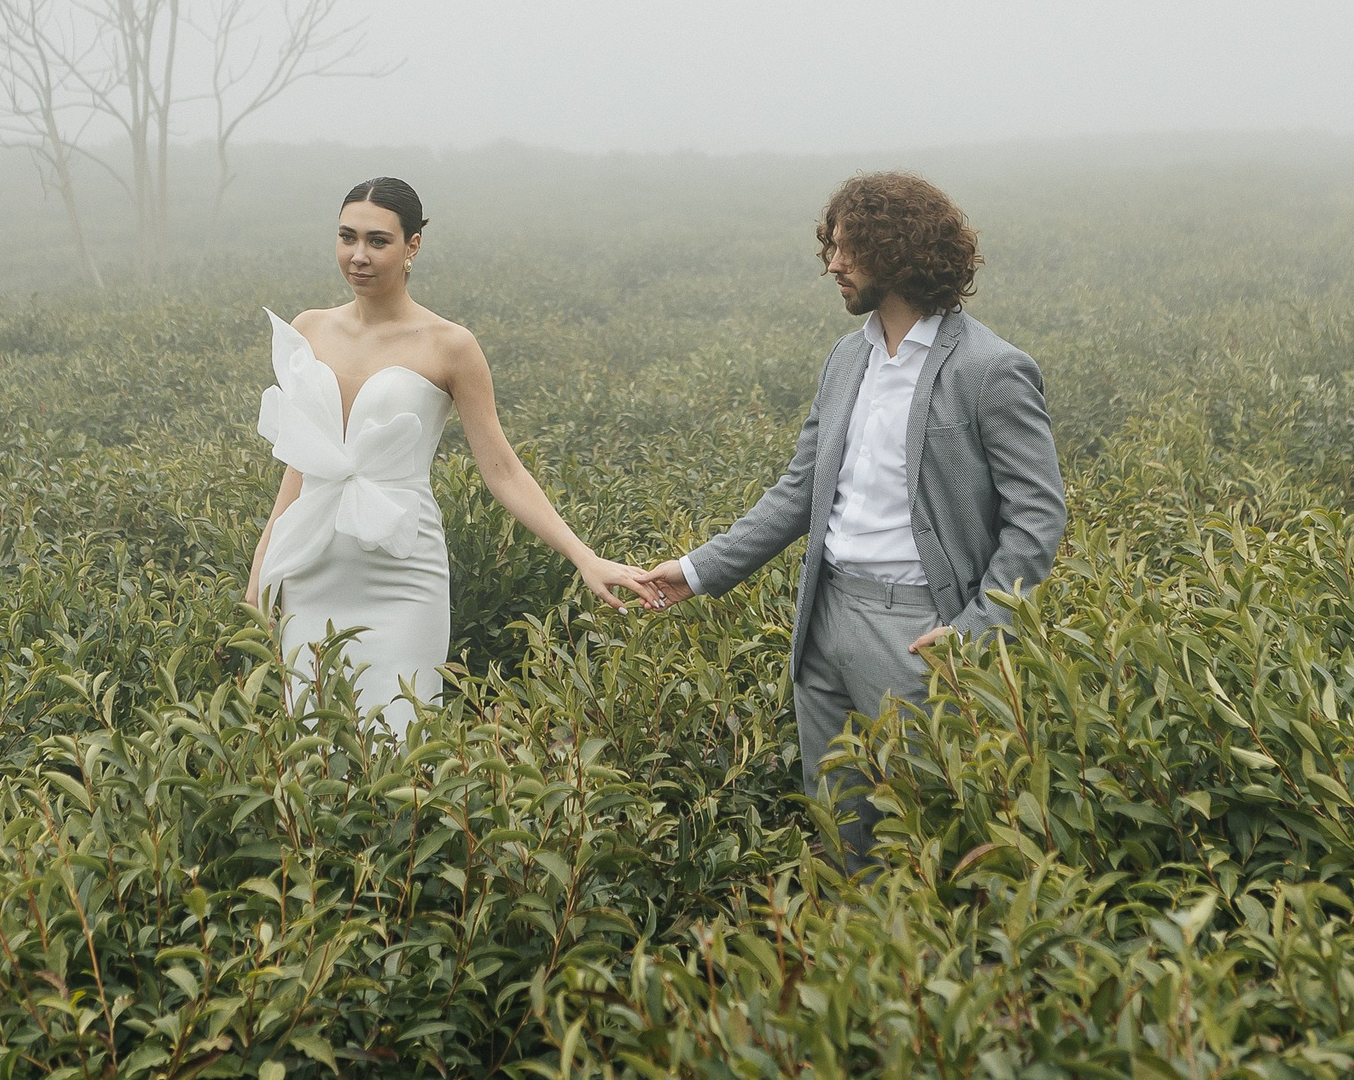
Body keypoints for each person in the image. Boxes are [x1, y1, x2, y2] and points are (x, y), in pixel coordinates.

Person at [645, 172, 1067, 867]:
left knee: (924, 835)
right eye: (831, 246)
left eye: (849, 249)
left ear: (900, 252)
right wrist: (696, 570)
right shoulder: (847, 358)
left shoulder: (991, 370)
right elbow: (800, 490)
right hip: (826, 615)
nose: (832, 264)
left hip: (917, 631)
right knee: (841, 830)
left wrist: (974, 632)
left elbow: (1038, 521)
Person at [248, 176, 661, 730]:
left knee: (400, 739)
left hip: (401, 575)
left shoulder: (450, 345)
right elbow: (298, 470)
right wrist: (260, 580)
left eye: (378, 241)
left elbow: (504, 471)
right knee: (314, 750)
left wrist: (585, 558)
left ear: (413, 245)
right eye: (347, 237)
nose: (358, 256)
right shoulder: (309, 329)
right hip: (309, 566)